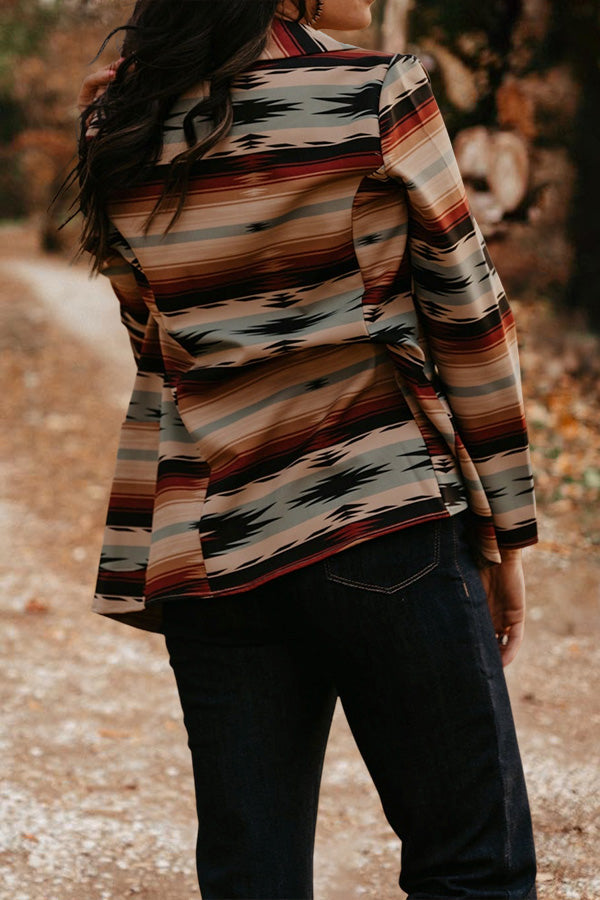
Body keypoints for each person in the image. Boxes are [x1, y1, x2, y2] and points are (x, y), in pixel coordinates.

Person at [74, 1, 539, 897]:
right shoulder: (374, 93)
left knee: (253, 875)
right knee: (472, 861)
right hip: (382, 518)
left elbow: (155, 342)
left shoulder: (119, 123)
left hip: (214, 543)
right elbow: (472, 322)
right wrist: (503, 533)